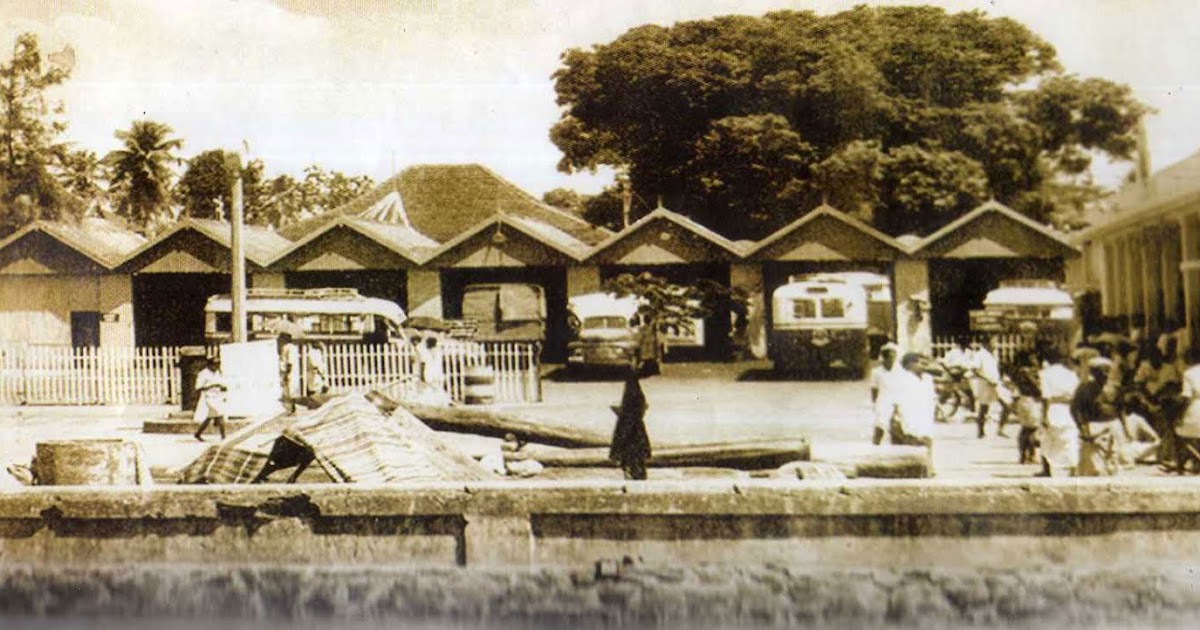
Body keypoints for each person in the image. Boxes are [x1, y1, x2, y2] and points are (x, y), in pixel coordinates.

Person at [877, 352, 937, 455]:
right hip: (906, 427)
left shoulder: (927, 380)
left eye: (926, 364)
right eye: (921, 363)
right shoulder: (900, 381)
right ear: (910, 364)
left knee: (926, 451)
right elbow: (890, 404)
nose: (925, 367)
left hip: (925, 426)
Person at [1072, 357, 1123, 477]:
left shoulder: (1114, 388)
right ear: (1093, 372)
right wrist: (1083, 428)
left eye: (1106, 370)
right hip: (1094, 427)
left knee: (1113, 461)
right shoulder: (1085, 388)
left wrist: (1124, 429)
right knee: (1094, 466)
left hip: (1113, 426)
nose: (1104, 374)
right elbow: (1075, 409)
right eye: (1100, 371)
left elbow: (1120, 408)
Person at [1038, 346, 1080, 477]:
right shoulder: (1071, 374)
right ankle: (1074, 469)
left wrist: (1044, 416)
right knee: (1070, 440)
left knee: (1046, 440)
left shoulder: (1045, 374)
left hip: (1052, 408)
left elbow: (1045, 396)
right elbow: (1075, 394)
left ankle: (1046, 469)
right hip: (1068, 408)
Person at [609, 372, 651, 480]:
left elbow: (620, 436)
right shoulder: (635, 421)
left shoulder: (628, 420)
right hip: (633, 447)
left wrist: (615, 453)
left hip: (631, 447)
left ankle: (634, 470)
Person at [1009, 347, 1043, 465]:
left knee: (1027, 429)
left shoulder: (1020, 371)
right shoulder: (1025, 371)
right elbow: (1036, 387)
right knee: (1031, 429)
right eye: (1033, 357)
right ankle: (1028, 455)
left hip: (1024, 399)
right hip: (1029, 400)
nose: (1035, 359)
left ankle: (1026, 455)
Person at [971, 336, 1004, 439]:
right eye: (993, 342)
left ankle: (1001, 429)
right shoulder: (980, 354)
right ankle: (980, 431)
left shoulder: (994, 354)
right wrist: (986, 379)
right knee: (984, 407)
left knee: (1006, 404)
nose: (995, 345)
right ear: (986, 344)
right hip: (984, 384)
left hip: (995, 383)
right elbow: (975, 370)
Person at [1174, 347, 1200, 474]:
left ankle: (1181, 464)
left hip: (1195, 411)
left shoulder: (1189, 374)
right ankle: (1196, 461)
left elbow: (1187, 398)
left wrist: (1179, 416)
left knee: (1177, 430)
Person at [870, 342, 902, 446]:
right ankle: (875, 447)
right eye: (890, 357)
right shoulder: (877, 372)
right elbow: (874, 390)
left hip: (897, 401)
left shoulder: (899, 371)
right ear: (884, 358)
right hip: (883, 402)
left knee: (897, 428)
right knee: (880, 426)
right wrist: (875, 404)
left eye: (894, 357)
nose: (892, 360)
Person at [193, 357, 228, 442]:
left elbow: (223, 384)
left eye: (218, 364)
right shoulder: (203, 374)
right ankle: (223, 437)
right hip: (208, 398)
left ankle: (198, 433)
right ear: (209, 365)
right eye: (215, 365)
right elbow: (198, 388)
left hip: (218, 397)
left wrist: (223, 388)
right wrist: (212, 386)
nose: (216, 367)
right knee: (220, 414)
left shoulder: (218, 373)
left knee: (209, 417)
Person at [278, 334, 301, 413]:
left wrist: (286, 374)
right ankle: (291, 408)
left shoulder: (287, 348)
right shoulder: (293, 347)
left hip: (288, 372)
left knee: (288, 391)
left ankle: (290, 409)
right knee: (290, 391)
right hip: (291, 372)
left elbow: (289, 363)